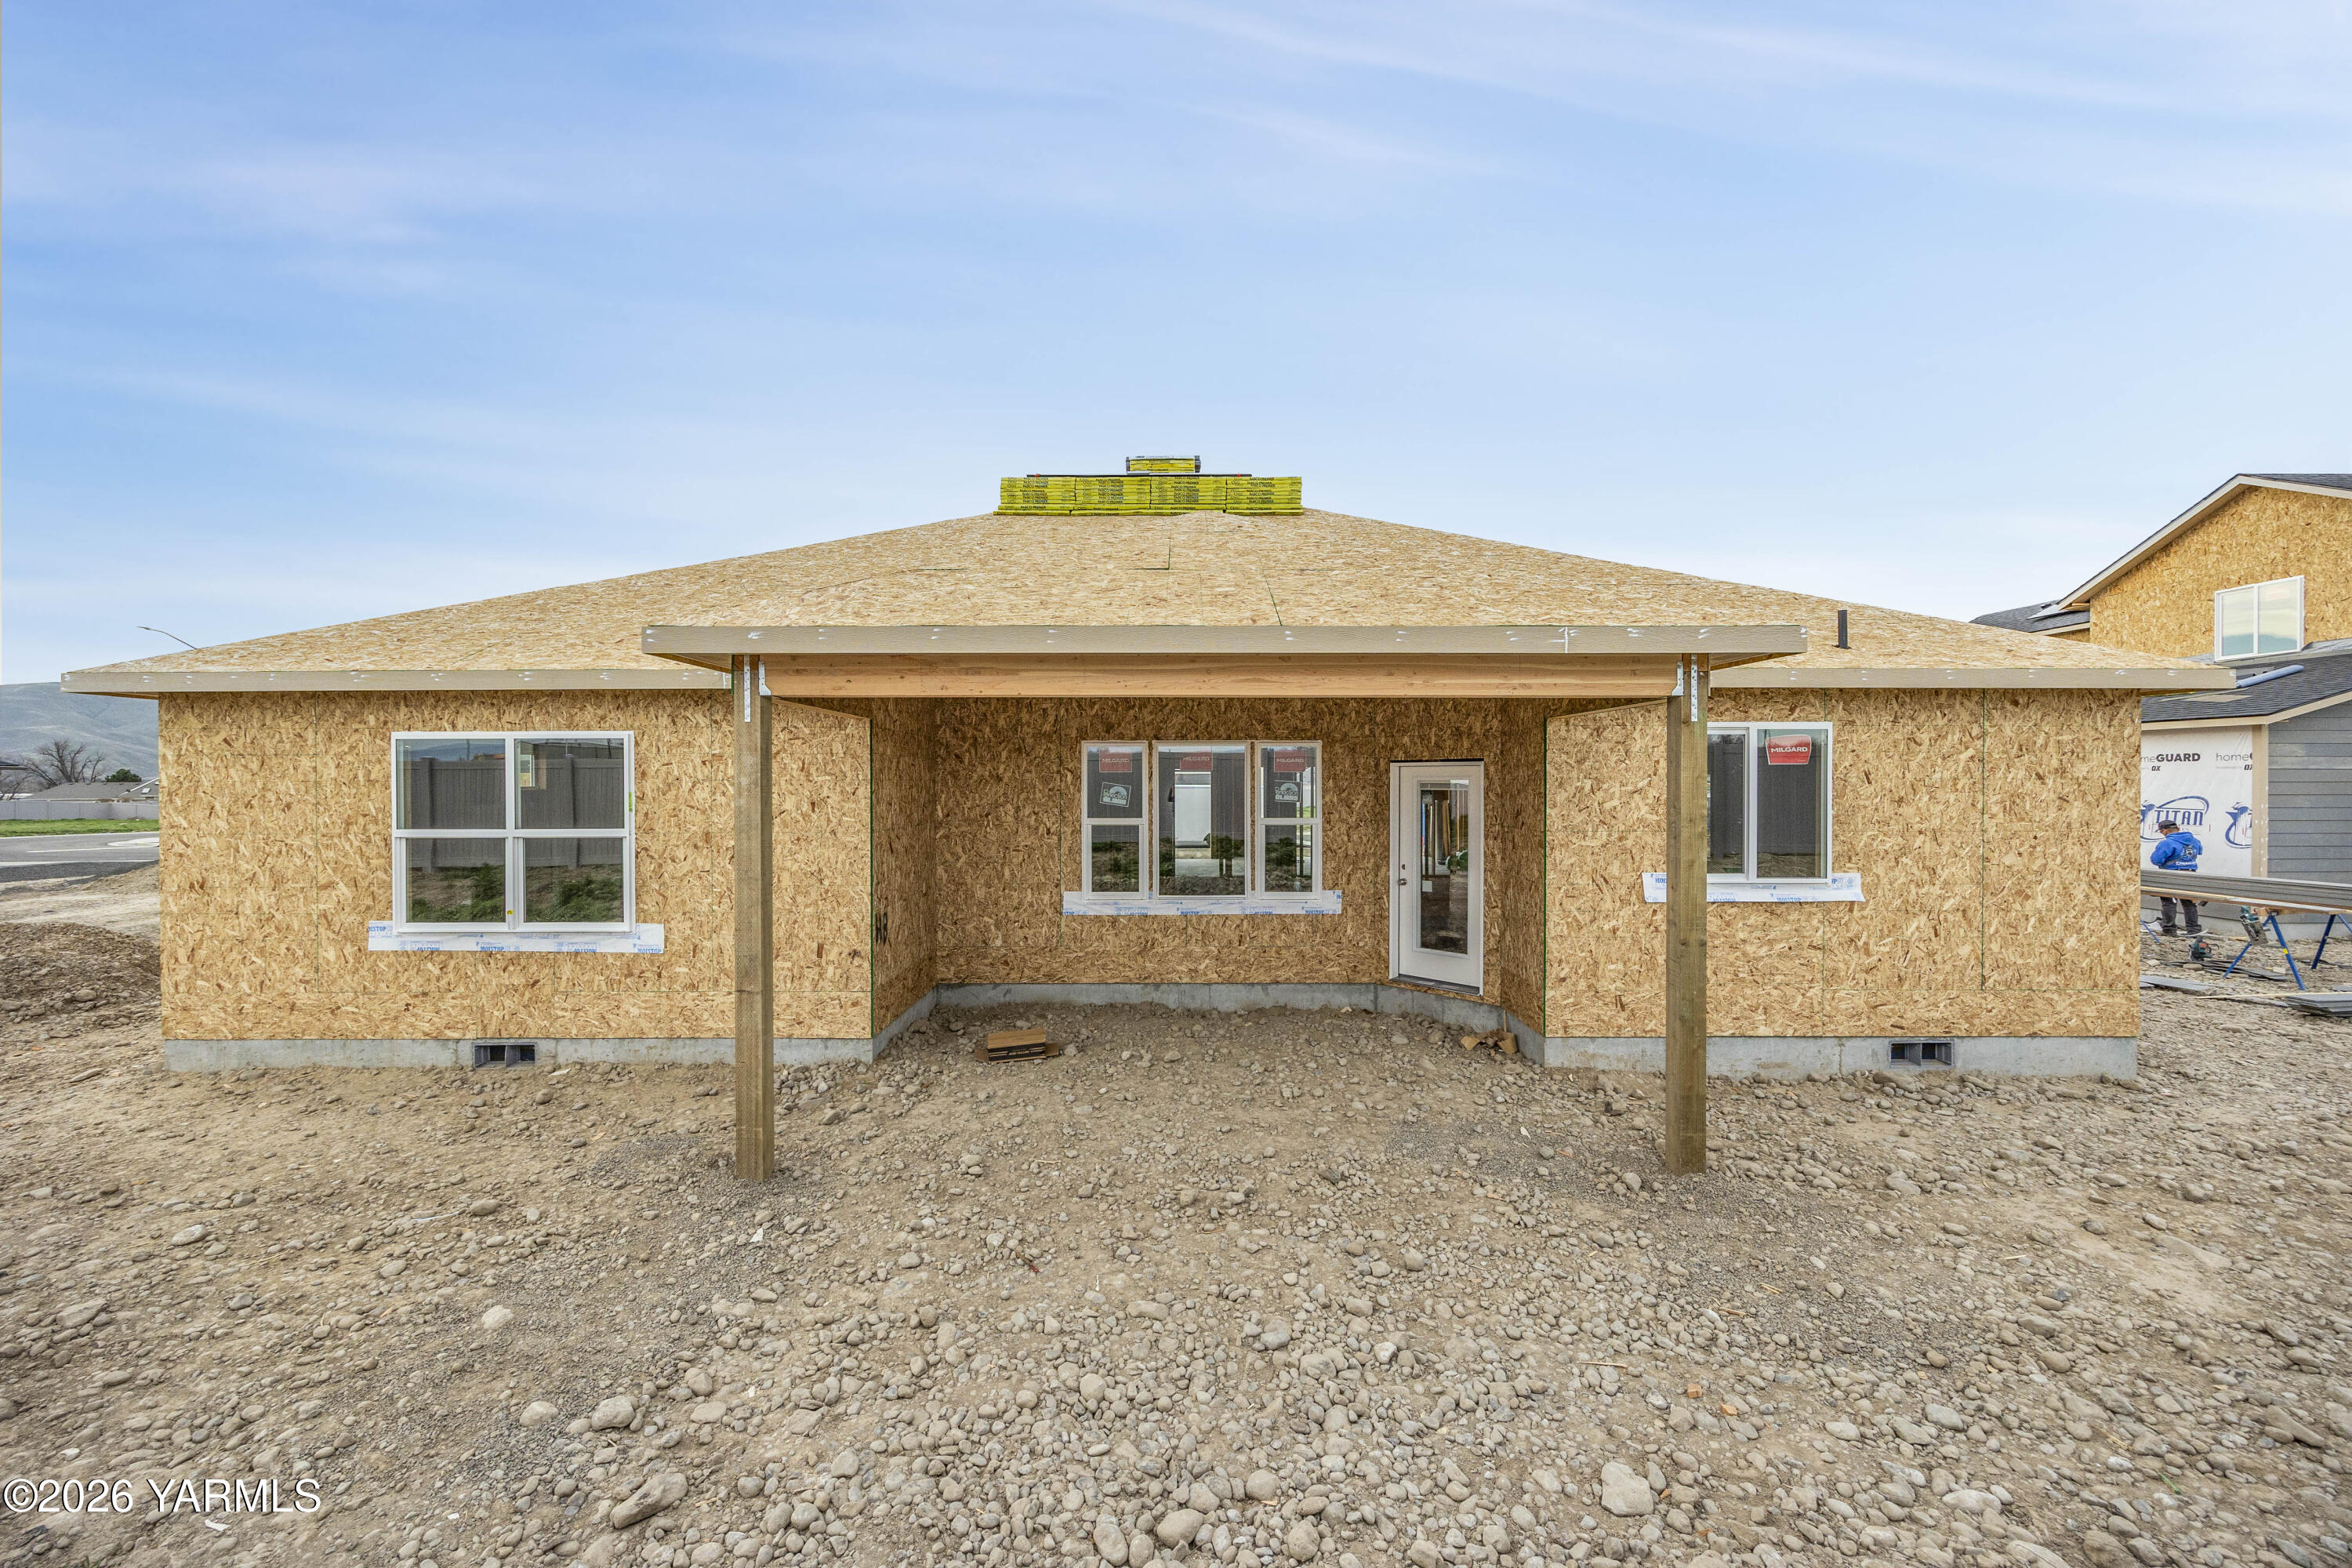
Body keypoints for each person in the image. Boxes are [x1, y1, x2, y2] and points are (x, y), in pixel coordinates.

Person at [2148, 816, 2205, 936]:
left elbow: (2156, 860)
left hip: (2171, 876)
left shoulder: (2167, 843)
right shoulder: (2194, 841)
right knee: (2189, 903)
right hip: (2190, 874)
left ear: (2164, 831)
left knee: (2169, 902)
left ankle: (2169, 930)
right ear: (2178, 828)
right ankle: (2193, 930)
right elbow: (2199, 851)